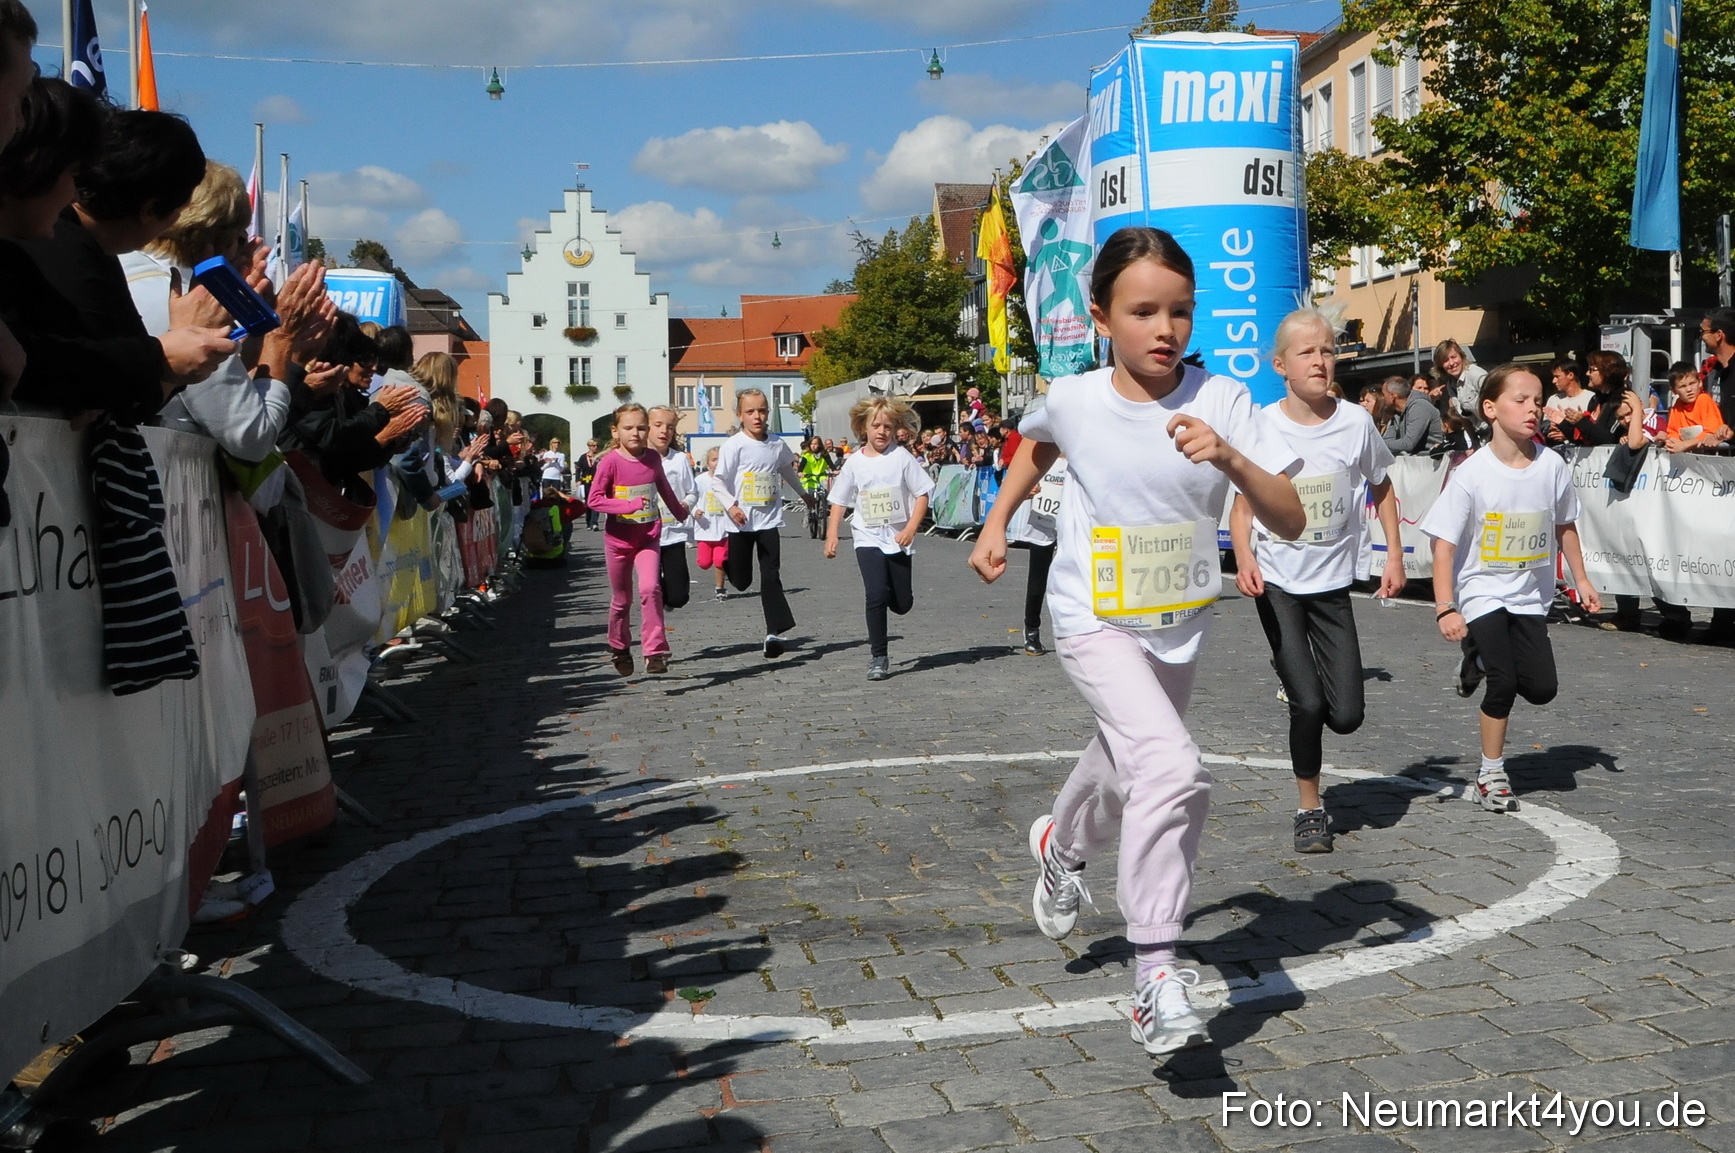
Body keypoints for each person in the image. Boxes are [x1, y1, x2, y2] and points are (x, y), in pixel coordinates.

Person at [967, 226, 1303, 1057]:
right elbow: (1039, 442)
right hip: (1089, 614)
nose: (1165, 329)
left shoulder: (1222, 399)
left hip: (1178, 619)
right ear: (1100, 316)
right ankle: (1155, 970)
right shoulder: (1076, 396)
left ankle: (1060, 843)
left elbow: (1289, 516)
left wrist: (1227, 456)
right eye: (1144, 310)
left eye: (1180, 311)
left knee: (1123, 763)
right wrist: (996, 519)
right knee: (1170, 766)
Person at [1230, 310, 1406, 854]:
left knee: (1347, 716)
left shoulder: (1355, 423)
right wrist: (1243, 559)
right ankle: (1311, 808)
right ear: (1281, 365)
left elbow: (1381, 487)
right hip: (1278, 581)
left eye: (1328, 351)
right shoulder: (1262, 426)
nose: (1320, 361)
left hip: (1331, 585)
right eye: (1307, 352)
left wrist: (1393, 555)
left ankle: (1299, 674)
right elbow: (1242, 507)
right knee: (1307, 704)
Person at [1420, 364, 1601, 812]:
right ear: (1490, 408)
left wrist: (1581, 580)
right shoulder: (1472, 473)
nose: (1533, 408)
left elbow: (1565, 525)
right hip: (1482, 591)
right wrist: (1446, 607)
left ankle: (1477, 657)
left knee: (1541, 688)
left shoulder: (1552, 467)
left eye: (1538, 400)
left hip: (1529, 596)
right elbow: (1442, 546)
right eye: (1520, 400)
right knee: (1503, 682)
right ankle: (1491, 773)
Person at [824, 397, 935, 680]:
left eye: (887, 426)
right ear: (864, 427)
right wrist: (832, 533)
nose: (882, 432)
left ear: (896, 428)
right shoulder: (854, 462)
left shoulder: (901, 458)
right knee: (875, 594)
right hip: (867, 536)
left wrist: (911, 527)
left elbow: (922, 494)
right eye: (876, 426)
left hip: (898, 538)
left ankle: (894, 597)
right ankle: (878, 657)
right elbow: (839, 500)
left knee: (901, 603)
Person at [586, 404, 690, 676]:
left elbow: (664, 488)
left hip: (648, 537)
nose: (636, 433)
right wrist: (626, 505)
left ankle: (655, 651)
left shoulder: (653, 459)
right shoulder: (610, 461)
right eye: (628, 428)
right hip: (618, 542)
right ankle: (619, 646)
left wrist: (681, 514)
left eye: (641, 428)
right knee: (622, 599)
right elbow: (594, 500)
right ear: (616, 431)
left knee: (651, 588)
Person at [713, 388, 815, 658]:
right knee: (742, 581)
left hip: (769, 520)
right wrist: (732, 506)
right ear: (740, 415)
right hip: (741, 523)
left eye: (762, 410)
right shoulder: (734, 445)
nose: (757, 416)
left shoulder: (777, 444)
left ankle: (774, 633)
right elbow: (718, 481)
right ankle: (727, 565)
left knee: (771, 576)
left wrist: (804, 494)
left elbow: (785, 469)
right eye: (750, 412)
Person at [649, 405, 699, 612]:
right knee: (650, 589)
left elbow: (692, 492)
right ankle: (653, 628)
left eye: (670, 427)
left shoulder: (679, 460)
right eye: (658, 425)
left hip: (674, 533)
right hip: (646, 535)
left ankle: (665, 596)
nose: (664, 431)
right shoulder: (637, 459)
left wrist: (685, 504)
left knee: (679, 596)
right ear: (646, 428)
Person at [692, 446, 730, 600]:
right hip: (704, 528)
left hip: (724, 529)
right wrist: (695, 511)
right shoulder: (700, 480)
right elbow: (690, 498)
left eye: (720, 460)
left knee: (720, 561)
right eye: (714, 460)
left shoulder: (729, 479)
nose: (717, 463)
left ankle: (720, 587)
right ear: (708, 464)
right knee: (704, 563)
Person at [1380, 375, 1443, 455]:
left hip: (1430, 461)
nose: (1382, 398)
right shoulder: (1396, 413)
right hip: (1411, 462)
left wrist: (1379, 444)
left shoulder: (1420, 406)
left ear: (1392, 396)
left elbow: (1409, 443)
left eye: (1383, 394)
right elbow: (1387, 439)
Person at [1434, 338, 1488, 429]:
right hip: (1481, 436)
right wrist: (1473, 440)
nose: (1451, 363)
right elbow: (1464, 417)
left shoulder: (1475, 374)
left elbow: (1497, 400)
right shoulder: (1451, 385)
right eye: (1445, 360)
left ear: (1461, 356)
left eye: (1454, 357)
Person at [576, 438, 602, 529]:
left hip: (597, 482)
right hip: (586, 482)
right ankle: (588, 522)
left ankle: (595, 523)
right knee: (588, 503)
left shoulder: (600, 457)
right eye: (594, 446)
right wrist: (577, 480)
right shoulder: (583, 457)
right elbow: (578, 469)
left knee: (596, 501)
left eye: (597, 446)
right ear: (589, 446)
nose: (596, 447)